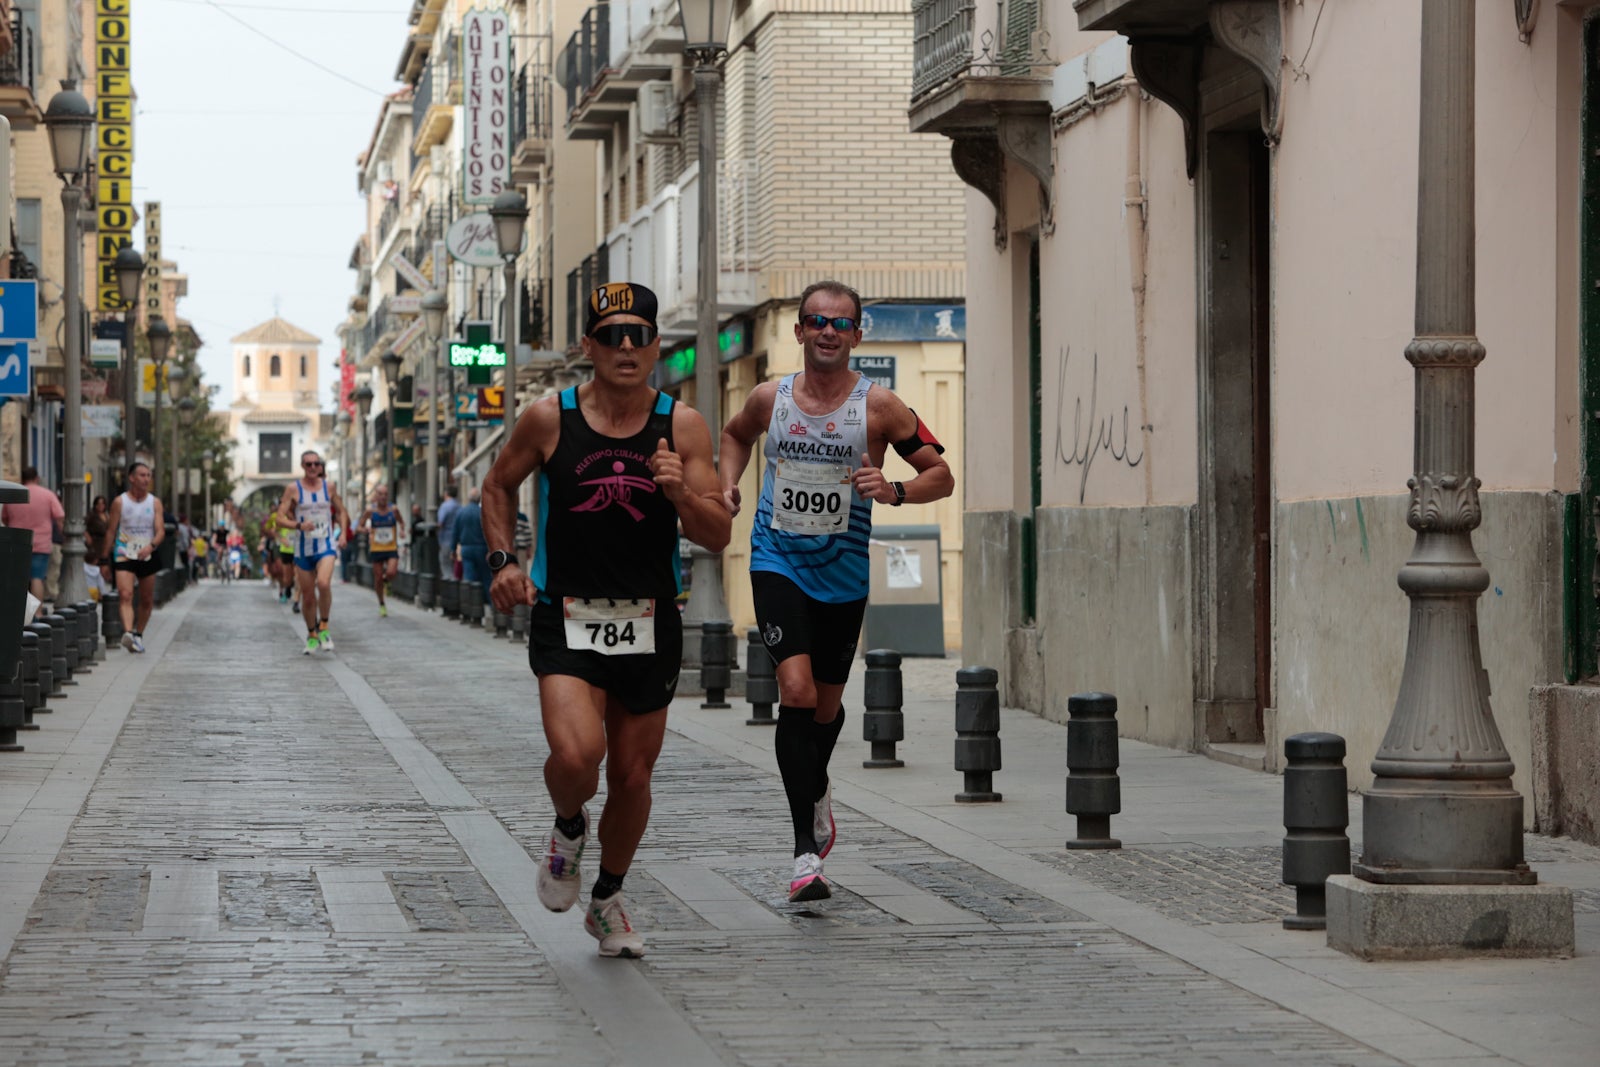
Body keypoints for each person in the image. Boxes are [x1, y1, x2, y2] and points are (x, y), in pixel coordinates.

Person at [483, 282, 730, 958]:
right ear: (588, 346)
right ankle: (568, 828)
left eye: (638, 334)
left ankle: (608, 898)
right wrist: (505, 558)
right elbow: (498, 484)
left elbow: (717, 533)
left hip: (651, 619)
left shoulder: (683, 425)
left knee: (631, 776)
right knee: (577, 754)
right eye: (611, 334)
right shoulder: (548, 418)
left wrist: (679, 491)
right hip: (566, 615)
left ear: (655, 345)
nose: (626, 346)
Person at [720, 280, 954, 902]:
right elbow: (734, 436)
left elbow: (941, 475)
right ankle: (804, 854)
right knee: (794, 692)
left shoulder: (881, 408)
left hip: (843, 575)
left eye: (841, 323)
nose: (828, 331)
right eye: (816, 321)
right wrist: (727, 486)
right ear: (798, 331)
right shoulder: (770, 399)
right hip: (777, 562)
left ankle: (817, 783)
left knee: (824, 708)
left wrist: (895, 489)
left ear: (858, 334)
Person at [276, 450, 349, 654]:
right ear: (302, 466)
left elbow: (342, 511)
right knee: (308, 597)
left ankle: (324, 626)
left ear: (321, 466)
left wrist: (342, 534)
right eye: (308, 464)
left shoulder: (330, 487)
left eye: (316, 464)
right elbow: (279, 518)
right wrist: (298, 525)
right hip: (302, 548)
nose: (313, 468)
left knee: (324, 583)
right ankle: (311, 634)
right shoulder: (293, 489)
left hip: (325, 544)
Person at [99, 461, 167, 653]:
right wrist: (104, 559)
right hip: (124, 553)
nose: (146, 479)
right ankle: (128, 633)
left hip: (147, 553)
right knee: (125, 594)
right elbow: (111, 531)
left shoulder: (154, 503)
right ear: (131, 478)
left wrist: (151, 546)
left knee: (146, 599)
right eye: (142, 475)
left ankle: (138, 634)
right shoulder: (120, 502)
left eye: (148, 475)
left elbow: (160, 531)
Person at [1, 467, 65, 617]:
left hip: (17, 542)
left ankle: (18, 612)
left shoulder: (15, 494)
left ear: (22, 479)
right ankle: (37, 613)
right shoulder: (47, 495)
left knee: (17, 578)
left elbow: (4, 518)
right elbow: (60, 516)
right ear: (36, 478)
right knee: (37, 578)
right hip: (41, 542)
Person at [358, 484, 405, 617]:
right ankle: (382, 604)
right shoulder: (370, 511)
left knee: (391, 572)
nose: (383, 497)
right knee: (378, 577)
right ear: (376, 496)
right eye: (380, 494)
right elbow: (359, 527)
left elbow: (401, 522)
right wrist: (365, 530)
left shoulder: (393, 510)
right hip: (376, 548)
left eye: (385, 494)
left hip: (391, 547)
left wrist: (401, 530)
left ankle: (387, 581)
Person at [454, 487, 488, 601]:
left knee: (469, 577)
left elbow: (455, 532)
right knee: (486, 577)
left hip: (466, 548)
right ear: (479, 499)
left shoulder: (461, 512)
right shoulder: (483, 513)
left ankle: (471, 604)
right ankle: (490, 605)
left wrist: (453, 549)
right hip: (482, 548)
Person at [436, 484, 460, 580]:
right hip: (457, 539)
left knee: (445, 562)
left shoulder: (445, 506)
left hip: (445, 539)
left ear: (446, 494)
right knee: (455, 563)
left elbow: (441, 522)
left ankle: (449, 584)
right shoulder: (459, 506)